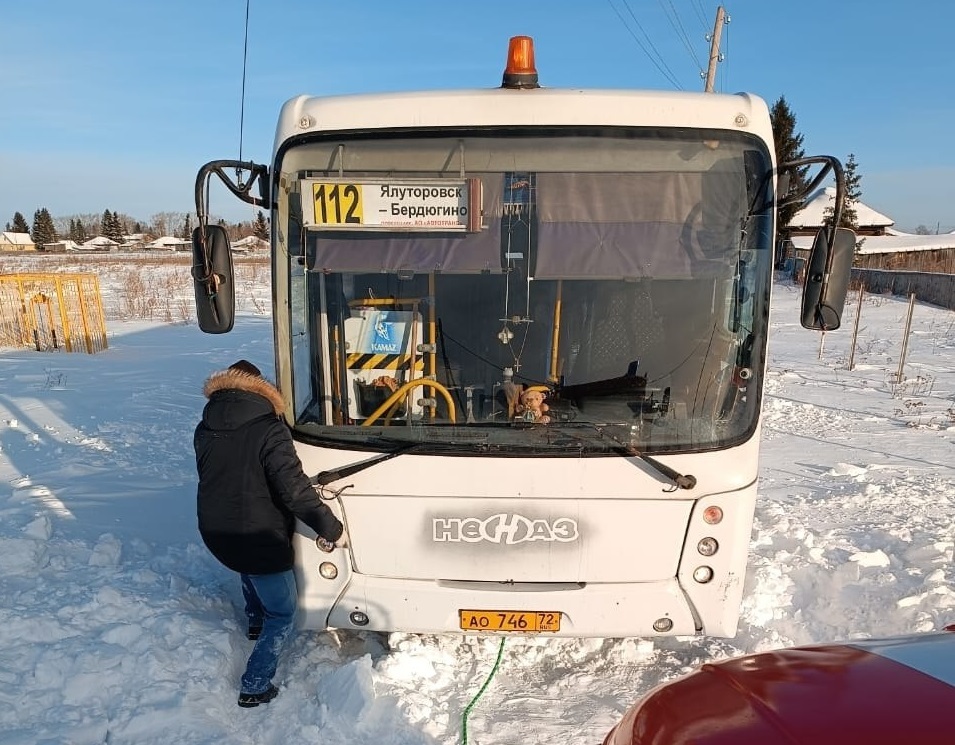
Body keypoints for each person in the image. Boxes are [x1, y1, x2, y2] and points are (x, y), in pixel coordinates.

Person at [194, 359, 344, 708]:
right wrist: (329, 527)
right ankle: (255, 684)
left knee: (247, 565)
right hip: (259, 536)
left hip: (216, 531)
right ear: (260, 390)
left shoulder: (205, 427)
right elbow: (295, 492)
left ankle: (253, 620)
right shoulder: (269, 429)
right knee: (283, 613)